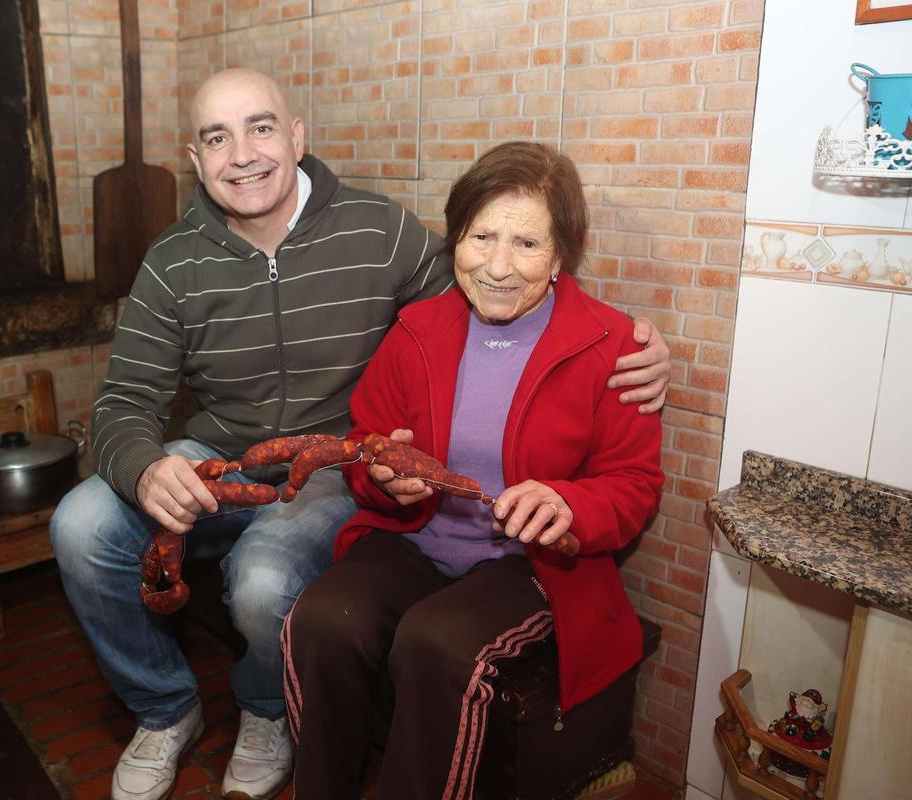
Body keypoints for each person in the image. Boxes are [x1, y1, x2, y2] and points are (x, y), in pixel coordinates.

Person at [49, 69, 670, 800]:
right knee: (79, 522)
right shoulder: (173, 262)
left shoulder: (384, 234)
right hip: (225, 457)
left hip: (336, 470)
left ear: (297, 135)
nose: (241, 153)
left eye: (260, 127)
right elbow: (124, 398)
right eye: (218, 137)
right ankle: (164, 710)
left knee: (267, 582)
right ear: (195, 156)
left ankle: (264, 708)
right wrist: (147, 467)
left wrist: (635, 344)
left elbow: (505, 292)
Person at [281, 141, 665, 800]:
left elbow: (633, 484)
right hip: (416, 539)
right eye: (480, 236)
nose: (496, 265)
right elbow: (366, 439)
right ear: (454, 237)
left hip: (531, 563)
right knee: (322, 616)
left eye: (525, 244)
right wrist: (382, 474)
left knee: (434, 644)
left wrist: (569, 505)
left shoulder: (612, 347)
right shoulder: (417, 329)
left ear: (561, 257)